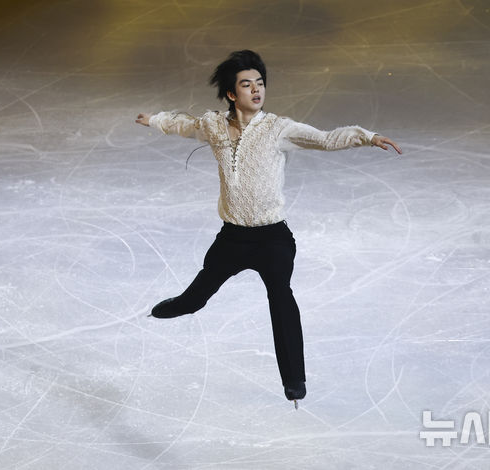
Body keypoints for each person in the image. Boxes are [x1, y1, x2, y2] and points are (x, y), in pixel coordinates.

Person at [135, 50, 402, 407]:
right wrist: (154, 119)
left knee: (281, 298)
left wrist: (367, 136)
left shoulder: (278, 128)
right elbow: (185, 124)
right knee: (196, 298)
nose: (257, 90)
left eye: (260, 83)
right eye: (247, 85)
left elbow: (324, 139)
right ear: (232, 94)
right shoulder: (215, 125)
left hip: (272, 239)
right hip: (232, 239)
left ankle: (294, 381)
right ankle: (176, 306)